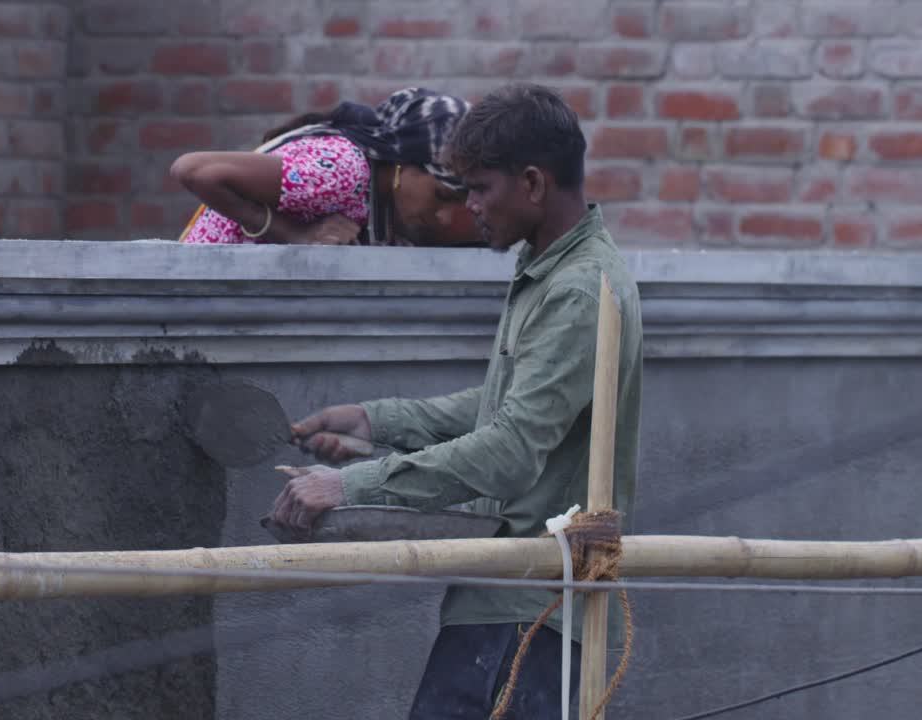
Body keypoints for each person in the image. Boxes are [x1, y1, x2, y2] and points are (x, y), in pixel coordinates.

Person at [269, 83, 644, 719]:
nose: (469, 207)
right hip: (510, 602)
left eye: (479, 189)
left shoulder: (579, 290)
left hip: (531, 612)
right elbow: (508, 408)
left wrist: (350, 486)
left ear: (532, 183)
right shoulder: (549, 269)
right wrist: (379, 420)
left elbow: (511, 449)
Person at [171, 87, 479, 247]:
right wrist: (294, 234)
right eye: (441, 195)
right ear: (403, 162)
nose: (445, 217)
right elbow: (193, 170)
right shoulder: (345, 171)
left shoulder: (379, 195)